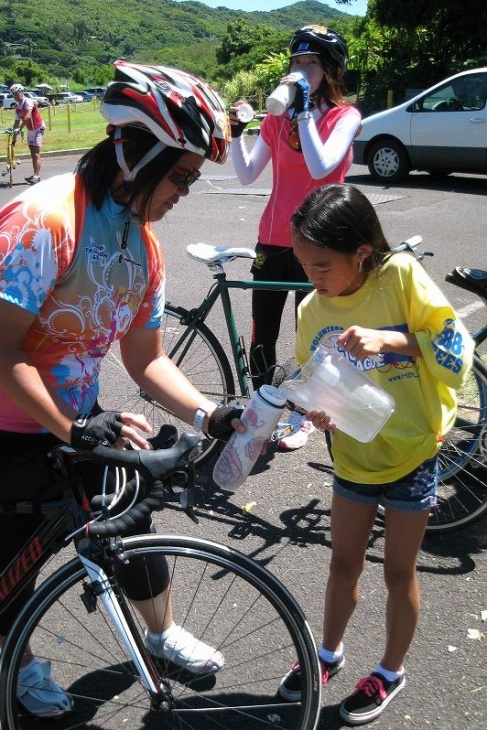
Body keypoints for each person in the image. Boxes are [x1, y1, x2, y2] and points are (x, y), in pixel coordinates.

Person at [0, 61, 242, 719]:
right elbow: (3, 347)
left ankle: (161, 635)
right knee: (10, 575)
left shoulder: (144, 247)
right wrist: (73, 428)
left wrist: (212, 414)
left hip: (72, 419)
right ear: (136, 156)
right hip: (10, 426)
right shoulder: (45, 221)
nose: (187, 190)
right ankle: (18, 665)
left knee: (130, 525)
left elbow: (146, 361)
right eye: (182, 175)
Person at [277, 183, 474, 724]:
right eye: (303, 265)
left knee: (397, 572)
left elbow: (456, 344)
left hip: (412, 451)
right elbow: (313, 375)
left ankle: (390, 670)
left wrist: (391, 341)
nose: (310, 279)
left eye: (320, 266)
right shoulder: (314, 309)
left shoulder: (400, 278)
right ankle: (327, 654)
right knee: (342, 562)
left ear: (361, 252)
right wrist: (316, 409)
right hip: (354, 455)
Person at [229, 25, 361, 451]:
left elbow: (322, 166)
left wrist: (304, 111)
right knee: (262, 332)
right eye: (296, 62)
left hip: (323, 243)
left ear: (332, 70)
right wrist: (236, 133)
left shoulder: (346, 116)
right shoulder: (276, 118)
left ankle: (307, 418)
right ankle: (262, 414)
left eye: (312, 63)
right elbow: (247, 175)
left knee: (319, 337)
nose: (301, 70)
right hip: (273, 239)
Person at [10, 83, 46, 185]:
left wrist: (20, 129)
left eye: (17, 94)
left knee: (36, 153)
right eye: (14, 95)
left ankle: (37, 176)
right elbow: (16, 124)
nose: (15, 96)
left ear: (21, 93)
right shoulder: (18, 108)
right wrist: (14, 139)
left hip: (38, 128)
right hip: (31, 130)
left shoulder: (28, 101)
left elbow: (27, 117)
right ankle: (35, 175)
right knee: (32, 154)